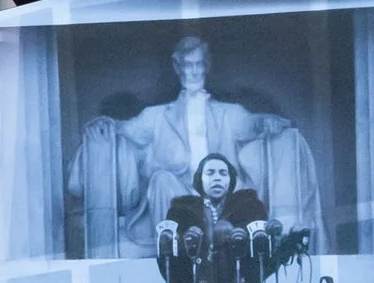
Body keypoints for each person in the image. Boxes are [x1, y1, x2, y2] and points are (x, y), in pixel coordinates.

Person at [66, 35, 321, 259]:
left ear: (207, 66)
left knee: (270, 152)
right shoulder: (157, 116)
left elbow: (249, 124)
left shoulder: (228, 113)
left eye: (199, 64)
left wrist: (267, 122)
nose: (194, 71)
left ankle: (219, 245)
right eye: (188, 65)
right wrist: (108, 124)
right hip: (179, 194)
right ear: (177, 67)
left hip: (224, 196)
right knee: (161, 179)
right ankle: (173, 253)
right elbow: (128, 129)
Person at [159, 153, 283, 283]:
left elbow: (264, 259)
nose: (217, 178)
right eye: (210, 173)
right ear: (200, 179)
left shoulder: (250, 208)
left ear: (230, 179)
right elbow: (170, 263)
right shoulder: (182, 212)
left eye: (223, 173)